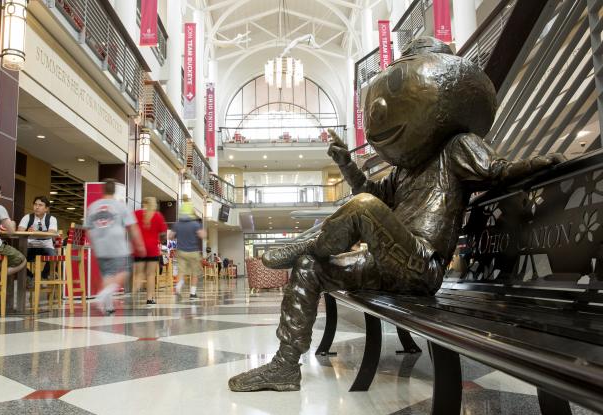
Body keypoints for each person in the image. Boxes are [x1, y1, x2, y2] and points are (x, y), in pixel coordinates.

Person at [228, 37, 565, 392]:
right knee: (311, 266)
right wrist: (346, 164)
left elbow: (497, 171)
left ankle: (303, 242)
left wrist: (538, 165)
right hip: (391, 263)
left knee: (362, 211)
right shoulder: (405, 170)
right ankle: (284, 366)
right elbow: (371, 195)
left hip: (423, 268)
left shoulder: (456, 147)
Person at [85, 179, 146, 314]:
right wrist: (140, 245)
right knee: (125, 270)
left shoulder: (92, 206)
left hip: (100, 246)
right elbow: (133, 227)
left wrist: (95, 244)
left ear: (103, 190)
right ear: (114, 190)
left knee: (108, 274)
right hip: (118, 246)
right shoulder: (121, 206)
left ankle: (108, 306)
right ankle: (104, 294)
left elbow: (88, 229)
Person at [133, 196, 167, 305]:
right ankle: (149, 298)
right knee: (150, 274)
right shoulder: (158, 216)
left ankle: (133, 295)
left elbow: (130, 229)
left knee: (138, 274)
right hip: (152, 248)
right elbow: (163, 235)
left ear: (143, 203)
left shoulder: (136, 213)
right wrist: (161, 240)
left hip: (139, 248)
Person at [18, 196, 58, 279]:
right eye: (35, 204)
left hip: (46, 246)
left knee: (54, 257)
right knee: (17, 258)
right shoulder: (27, 217)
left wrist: (34, 232)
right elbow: (20, 231)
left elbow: (52, 233)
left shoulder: (51, 219)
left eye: (40, 205)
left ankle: (43, 276)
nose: (37, 207)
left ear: (46, 208)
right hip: (30, 246)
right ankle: (30, 276)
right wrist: (27, 232)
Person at [171, 208, 206, 299]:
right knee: (194, 273)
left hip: (181, 251)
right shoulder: (195, 224)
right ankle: (192, 294)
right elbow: (202, 235)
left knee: (181, 271)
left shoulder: (177, 224)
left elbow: (170, 236)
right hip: (193, 252)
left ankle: (178, 289)